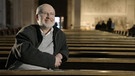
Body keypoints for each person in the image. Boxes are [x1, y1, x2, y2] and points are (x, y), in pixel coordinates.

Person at [5, 3, 69, 70]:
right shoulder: (26, 31)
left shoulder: (60, 34)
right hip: (23, 70)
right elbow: (25, 53)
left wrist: (60, 55)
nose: (49, 16)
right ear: (37, 17)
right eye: (45, 13)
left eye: (52, 14)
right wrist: (53, 60)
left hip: (47, 70)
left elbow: (64, 49)